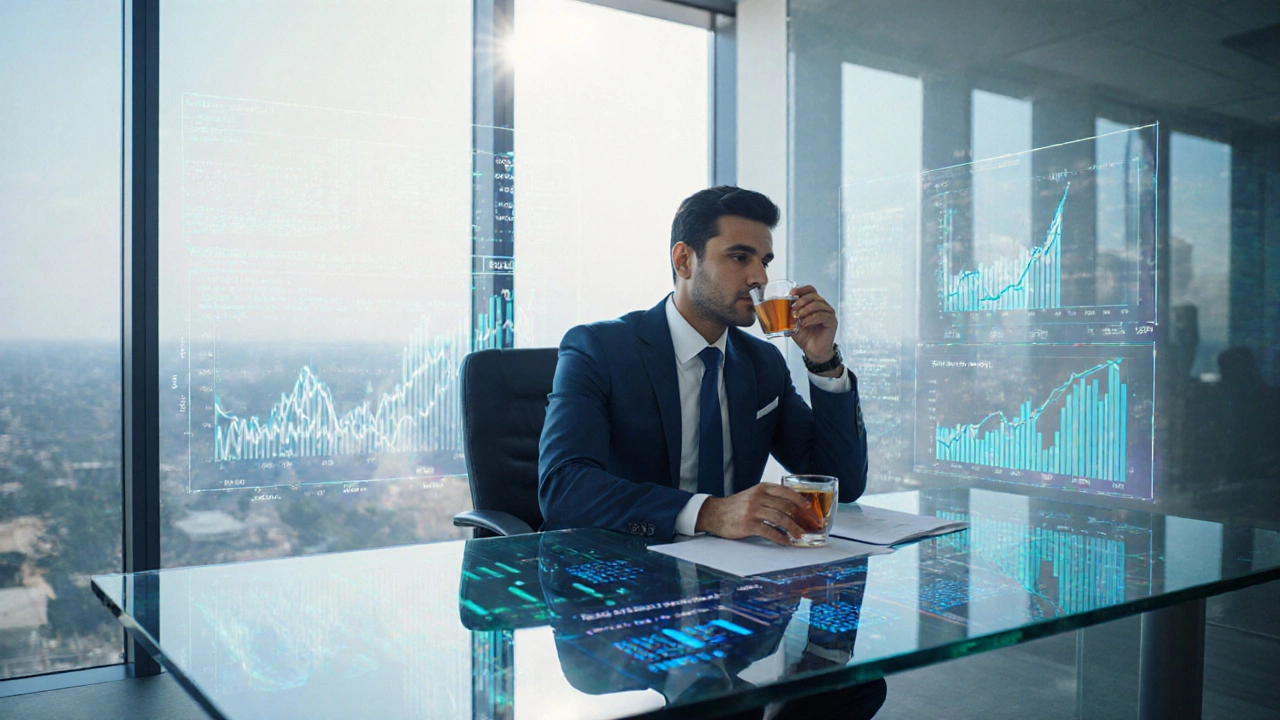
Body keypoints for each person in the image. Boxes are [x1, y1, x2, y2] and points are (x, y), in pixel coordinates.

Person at [538, 186, 884, 719]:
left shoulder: (761, 365)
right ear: (684, 259)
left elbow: (841, 481)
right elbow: (564, 486)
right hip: (626, 596)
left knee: (852, 686)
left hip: (733, 597)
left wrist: (822, 362)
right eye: (739, 257)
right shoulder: (598, 349)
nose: (760, 277)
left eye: (764, 261)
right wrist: (711, 511)